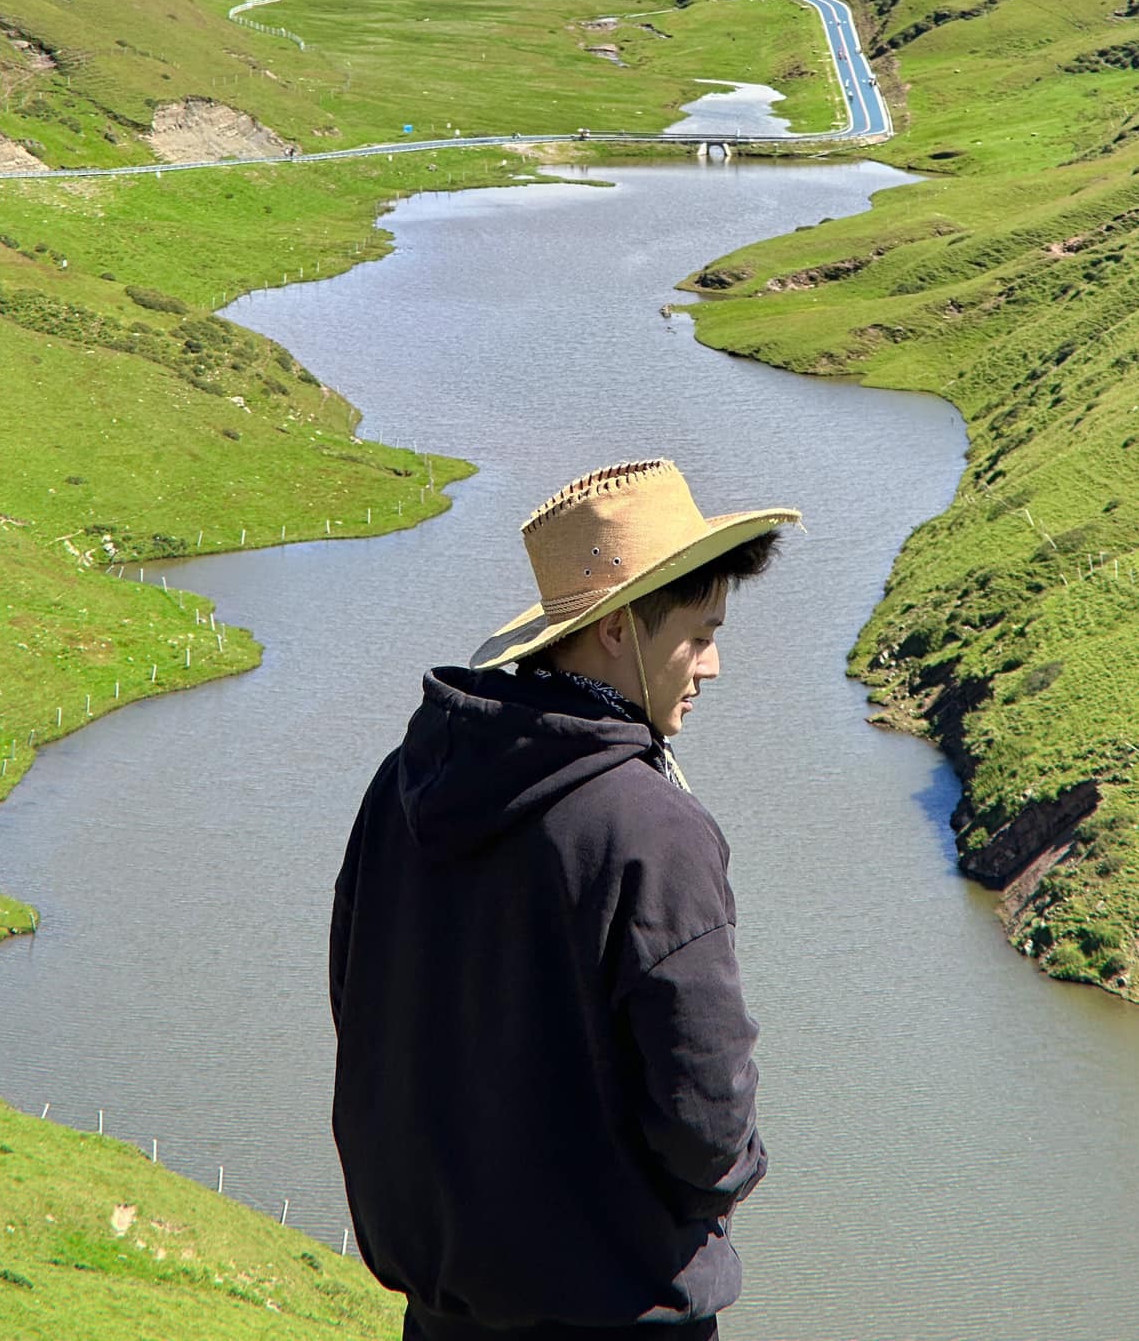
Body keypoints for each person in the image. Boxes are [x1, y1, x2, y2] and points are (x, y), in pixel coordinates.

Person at [329, 457, 798, 1341]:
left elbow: (358, 1010)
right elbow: (705, 1104)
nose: (714, 664)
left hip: (445, 1312)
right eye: (698, 634)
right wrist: (734, 1177)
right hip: (618, 1311)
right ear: (619, 631)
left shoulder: (404, 782)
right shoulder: (653, 829)